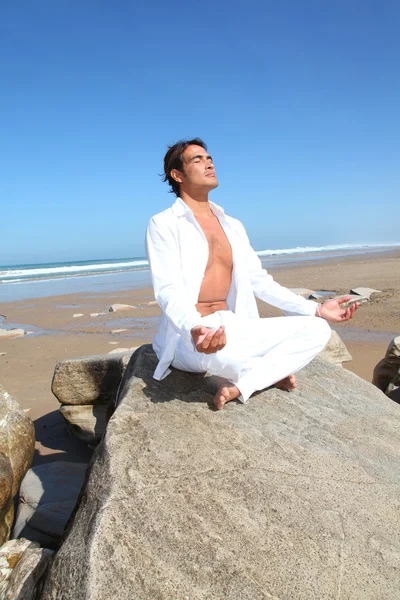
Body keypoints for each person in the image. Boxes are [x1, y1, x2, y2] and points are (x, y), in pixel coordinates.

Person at [145, 138, 358, 410]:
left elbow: (260, 281)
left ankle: (242, 384)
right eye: (197, 160)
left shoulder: (232, 225)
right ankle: (259, 373)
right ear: (178, 175)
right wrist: (193, 327)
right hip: (193, 337)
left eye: (209, 158)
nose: (208, 162)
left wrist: (316, 310)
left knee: (317, 330)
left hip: (234, 326)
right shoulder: (163, 224)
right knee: (228, 354)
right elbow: (168, 289)